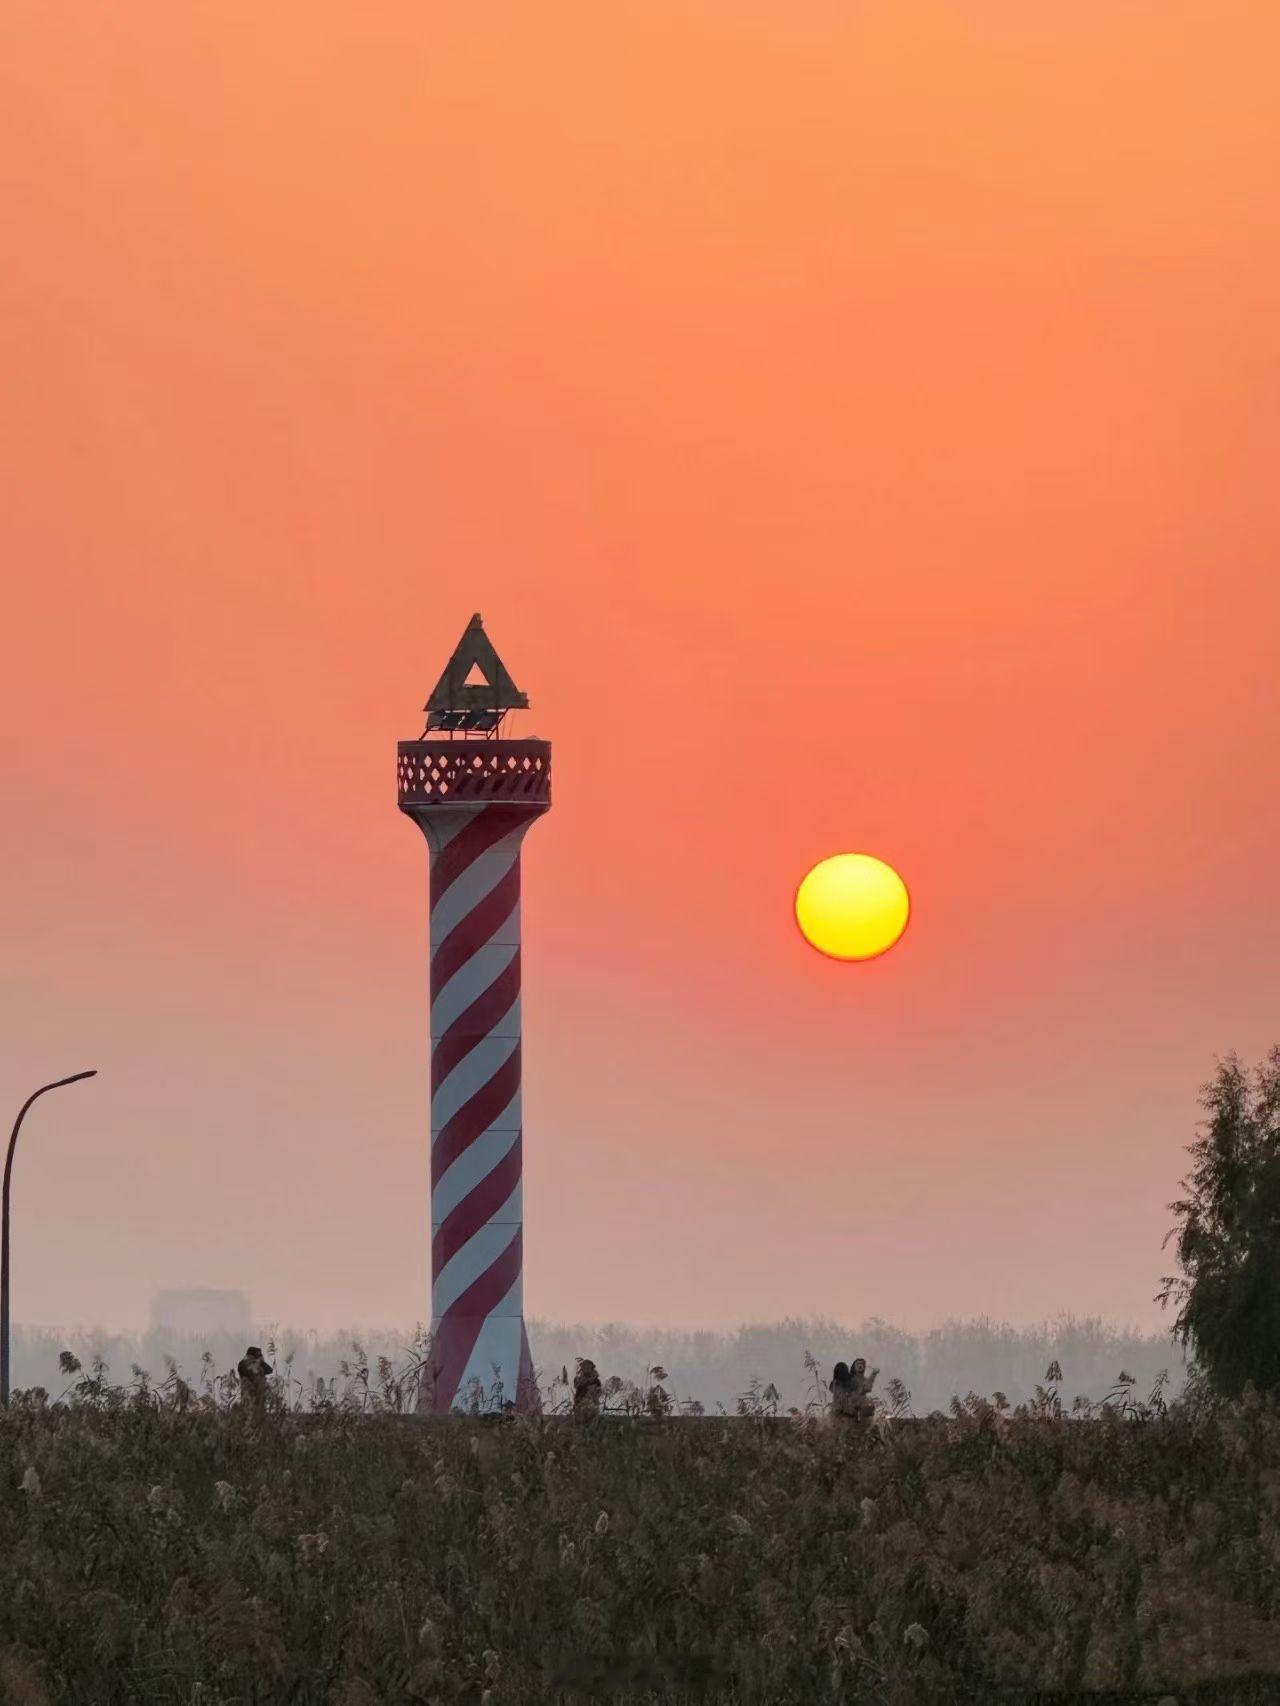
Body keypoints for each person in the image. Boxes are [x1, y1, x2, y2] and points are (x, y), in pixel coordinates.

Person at [237, 1345, 273, 1413]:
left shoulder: (258, 1364)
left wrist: (261, 1362)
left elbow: (270, 1370)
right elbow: (247, 1372)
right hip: (248, 1395)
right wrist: (256, 1367)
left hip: (260, 1395)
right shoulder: (242, 1364)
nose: (254, 1360)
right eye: (254, 1357)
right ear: (249, 1356)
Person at [572, 1357, 602, 1422]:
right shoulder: (578, 1379)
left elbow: (598, 1393)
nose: (586, 1369)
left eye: (588, 1368)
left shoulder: (596, 1381)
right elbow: (578, 1386)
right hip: (579, 1407)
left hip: (591, 1408)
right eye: (584, 1367)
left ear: (591, 1369)